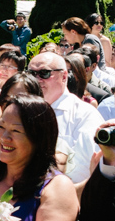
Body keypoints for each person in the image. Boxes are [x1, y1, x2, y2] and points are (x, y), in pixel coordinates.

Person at [29, 52, 101, 183]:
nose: (37, 79)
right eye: (31, 74)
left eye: (44, 73)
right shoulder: (21, 110)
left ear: (64, 76)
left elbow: (83, 168)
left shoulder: (84, 115)